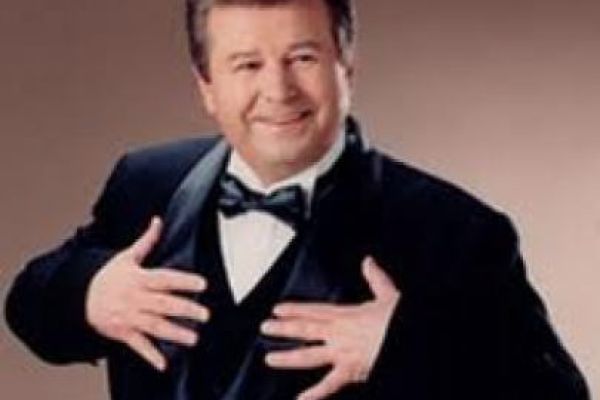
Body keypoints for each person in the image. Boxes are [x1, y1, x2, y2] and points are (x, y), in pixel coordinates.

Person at [4, 0, 590, 399]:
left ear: (346, 67)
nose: (277, 90)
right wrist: (88, 294)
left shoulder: (453, 228)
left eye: (302, 58)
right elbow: (28, 306)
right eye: (247, 65)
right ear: (207, 87)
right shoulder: (146, 182)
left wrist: (404, 347)